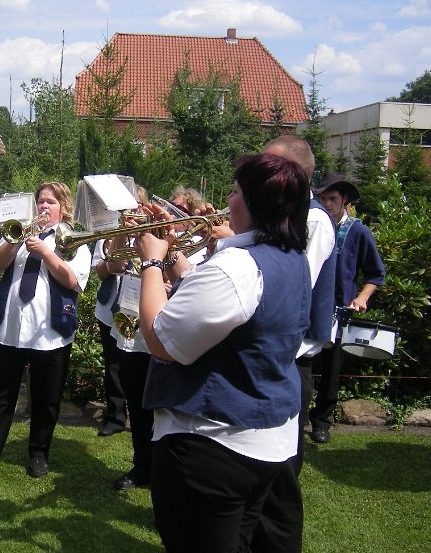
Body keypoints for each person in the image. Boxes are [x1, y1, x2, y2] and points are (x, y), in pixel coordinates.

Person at [136, 153, 312, 552]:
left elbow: (161, 342)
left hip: (212, 446)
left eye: (233, 191)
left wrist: (150, 259)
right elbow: (233, 310)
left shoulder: (238, 266)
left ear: (251, 204)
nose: (225, 201)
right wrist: (182, 266)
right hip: (264, 442)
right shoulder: (290, 257)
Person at [0, 182, 91, 481]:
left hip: (51, 332)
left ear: (63, 208)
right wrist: (14, 240)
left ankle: (38, 454)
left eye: (51, 202)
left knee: (47, 399)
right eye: (40, 202)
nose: (44, 207)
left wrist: (47, 252)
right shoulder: (18, 231)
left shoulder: (73, 240)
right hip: (10, 328)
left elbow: (72, 281)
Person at [249, 136, 337, 552]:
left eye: (272, 165)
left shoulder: (315, 220)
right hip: (276, 357)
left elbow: (289, 279)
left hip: (290, 359)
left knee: (280, 474)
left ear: (295, 175)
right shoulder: (296, 216)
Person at [309, 173, 386, 444]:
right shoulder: (311, 225)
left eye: (332, 199)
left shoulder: (357, 231)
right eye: (322, 198)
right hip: (308, 308)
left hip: (338, 313)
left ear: (345, 202)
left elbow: (376, 274)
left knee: (331, 370)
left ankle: (321, 422)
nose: (326, 204)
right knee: (301, 363)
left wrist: (362, 297)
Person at [93, 184, 149, 438]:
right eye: (127, 206)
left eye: (137, 205)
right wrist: (120, 237)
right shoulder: (109, 233)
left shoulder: (151, 235)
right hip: (111, 306)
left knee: (138, 366)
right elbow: (106, 270)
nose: (132, 210)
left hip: (140, 307)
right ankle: (115, 416)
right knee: (113, 365)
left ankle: (142, 417)